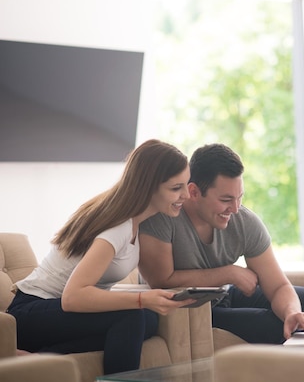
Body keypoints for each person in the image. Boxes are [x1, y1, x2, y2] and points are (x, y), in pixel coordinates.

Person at [6, 139, 197, 375]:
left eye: (186, 185)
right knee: (134, 317)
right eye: (176, 188)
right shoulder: (117, 227)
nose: (186, 195)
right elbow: (72, 297)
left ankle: (40, 358)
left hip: (56, 315)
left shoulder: (138, 223)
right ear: (148, 186)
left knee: (149, 320)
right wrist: (141, 299)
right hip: (31, 313)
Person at [138, 143, 304, 344]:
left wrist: (292, 312)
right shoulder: (164, 216)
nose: (234, 209)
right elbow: (161, 280)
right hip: (191, 310)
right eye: (226, 200)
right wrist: (229, 273)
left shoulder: (244, 221)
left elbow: (278, 285)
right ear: (194, 192)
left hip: (225, 295)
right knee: (271, 325)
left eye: (239, 198)